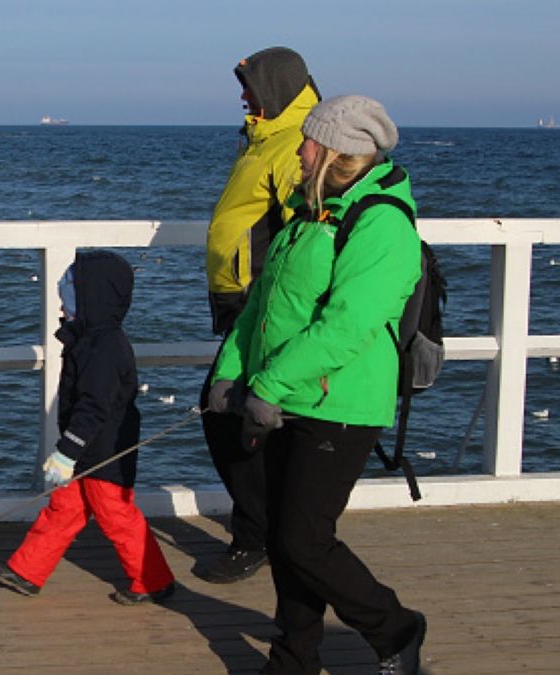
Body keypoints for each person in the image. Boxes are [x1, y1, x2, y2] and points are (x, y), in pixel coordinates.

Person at [209, 95, 427, 674]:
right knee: (286, 540)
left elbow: (347, 327)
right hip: (286, 397)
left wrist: (268, 385)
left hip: (342, 403)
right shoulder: (310, 213)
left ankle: (396, 629)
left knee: (304, 540)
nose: (299, 151)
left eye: (308, 141)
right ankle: (293, 659)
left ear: (336, 152)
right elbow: (262, 304)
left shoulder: (382, 223)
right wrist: (231, 371)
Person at [0, 250, 177, 605]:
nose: (62, 309)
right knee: (64, 508)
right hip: (87, 448)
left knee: (116, 515)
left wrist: (66, 452)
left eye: (69, 302)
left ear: (93, 301)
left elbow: (94, 407)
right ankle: (27, 571)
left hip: (106, 450)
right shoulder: (88, 340)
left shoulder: (105, 349)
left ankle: (153, 580)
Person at [196, 46, 321, 584]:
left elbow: (304, 236)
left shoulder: (295, 144)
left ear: (277, 87)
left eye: (249, 86)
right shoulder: (264, 136)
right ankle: (270, 530)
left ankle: (257, 538)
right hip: (242, 300)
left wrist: (269, 299)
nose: (243, 96)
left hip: (262, 303)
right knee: (236, 417)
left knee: (226, 415)